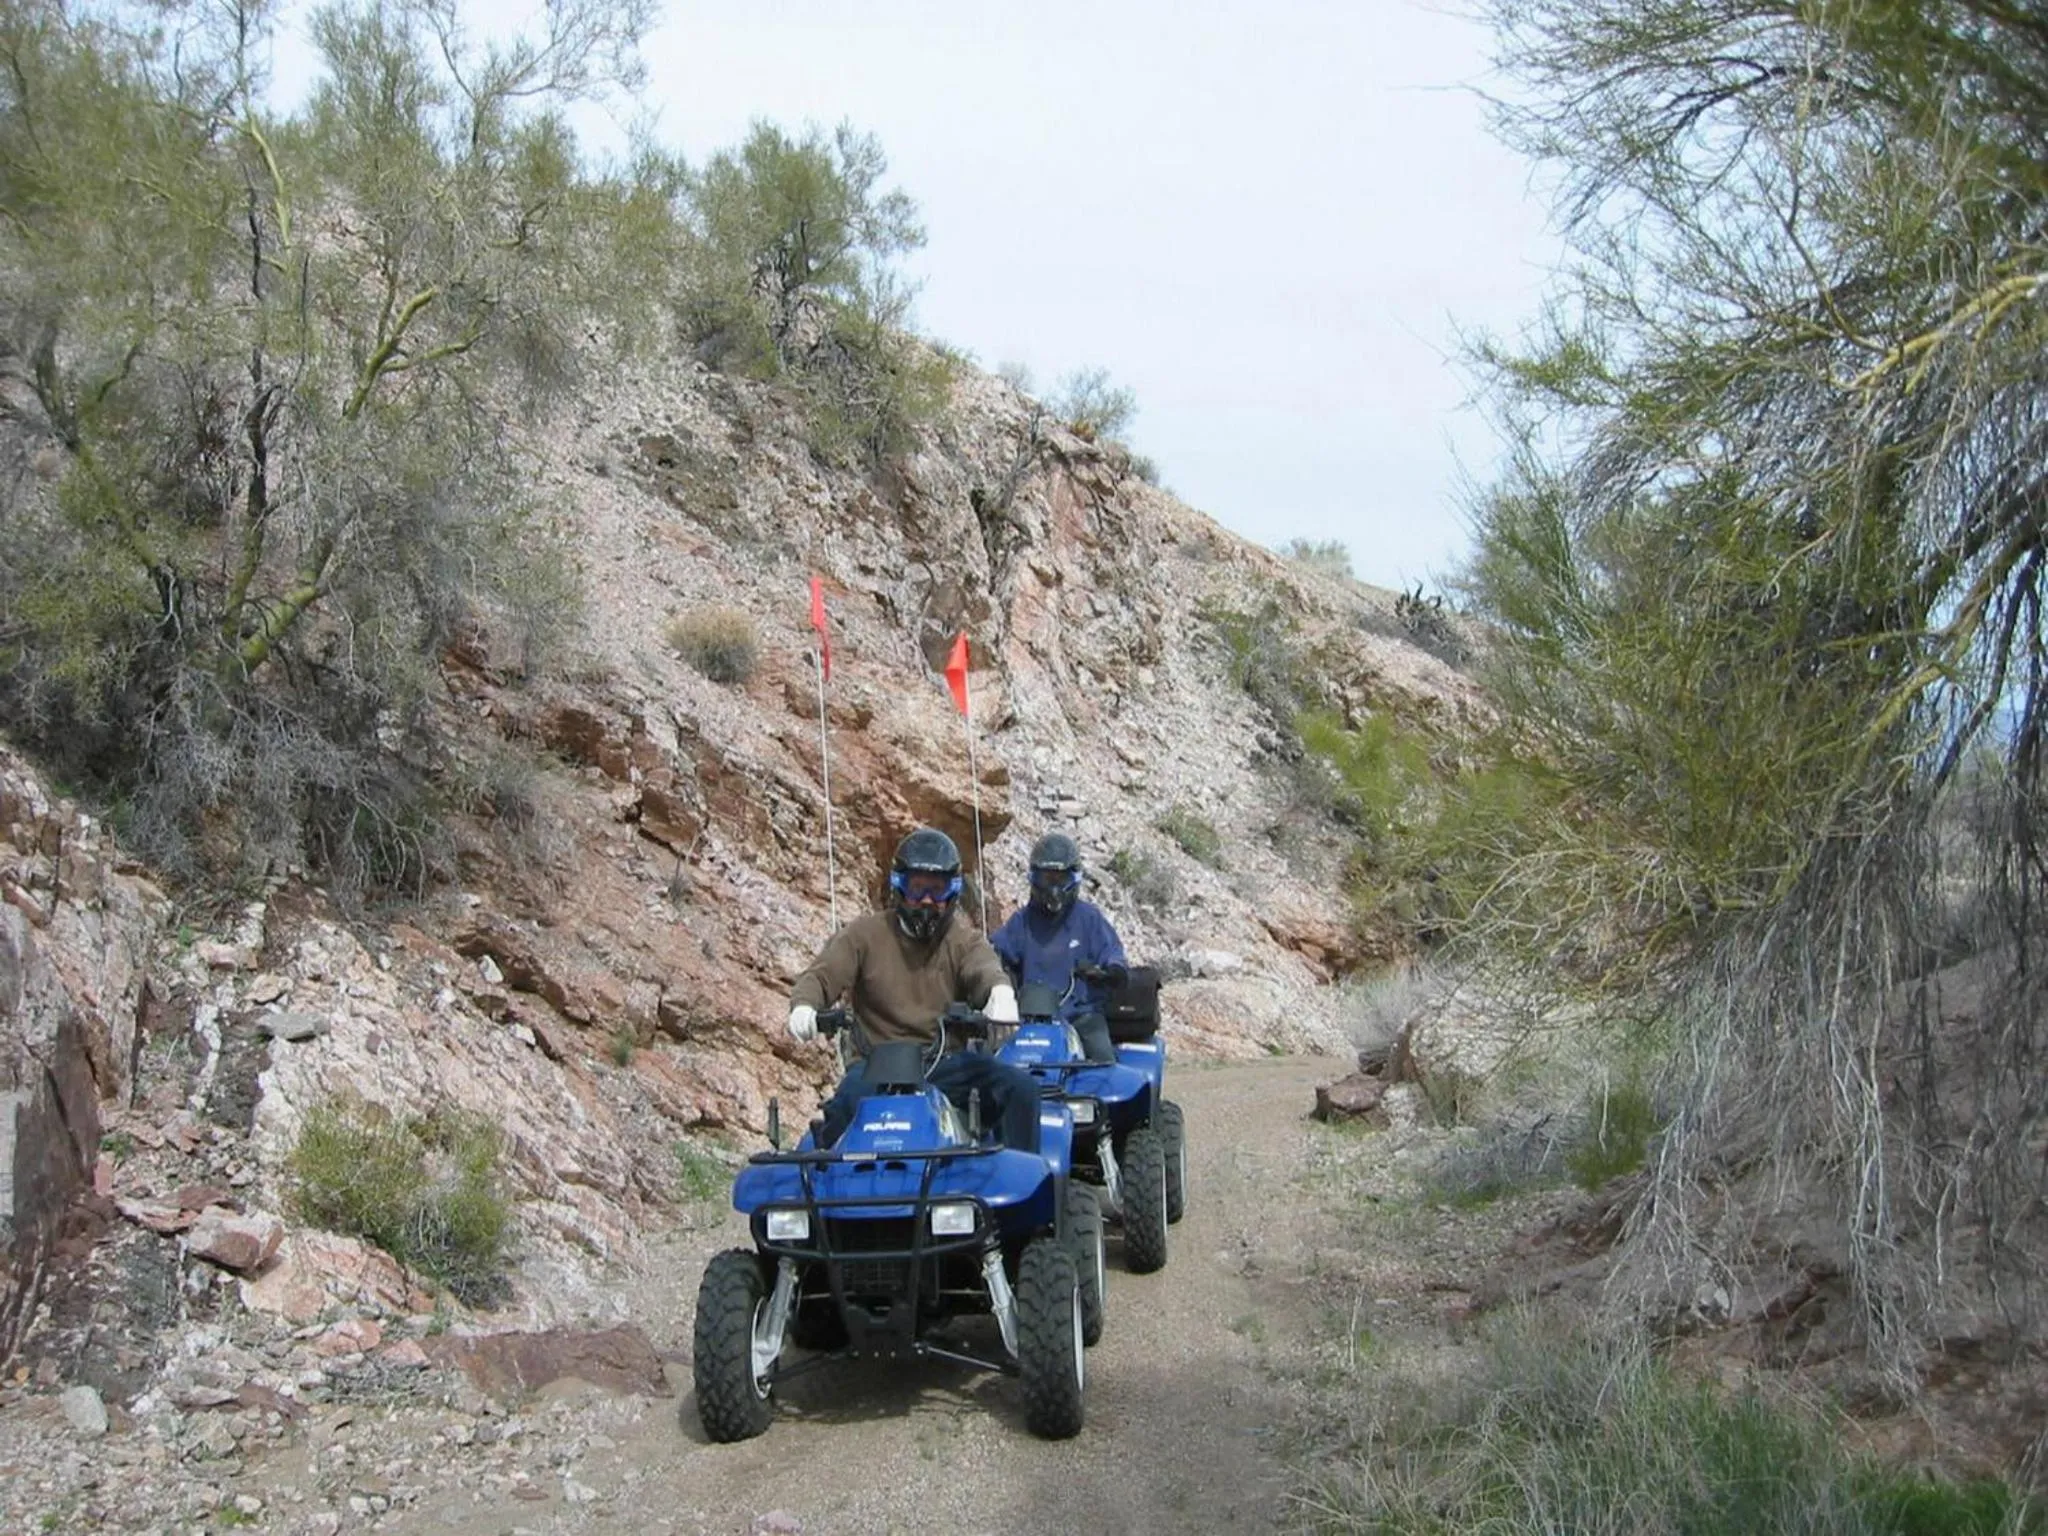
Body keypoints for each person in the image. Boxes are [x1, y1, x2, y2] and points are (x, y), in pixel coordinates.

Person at [787, 826, 1042, 1152]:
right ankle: (826, 1194)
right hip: (876, 1064)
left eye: (936, 891)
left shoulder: (963, 940)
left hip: (945, 1064)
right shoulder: (863, 934)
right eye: (916, 887)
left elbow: (984, 969)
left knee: (1020, 1089)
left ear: (952, 893)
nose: (925, 901)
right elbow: (823, 974)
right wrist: (805, 1005)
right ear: (898, 886)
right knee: (839, 1115)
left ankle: (1019, 1191)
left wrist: (999, 995)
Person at [990, 831, 1129, 1064]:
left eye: (1060, 880)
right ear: (1033, 878)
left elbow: (1113, 955)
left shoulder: (1089, 919)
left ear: (1074, 879)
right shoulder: (1021, 922)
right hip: (1029, 1021)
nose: (1053, 888)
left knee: (1104, 1065)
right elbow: (993, 953)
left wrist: (1108, 971)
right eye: (1046, 879)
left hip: (1081, 1017)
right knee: (993, 1066)